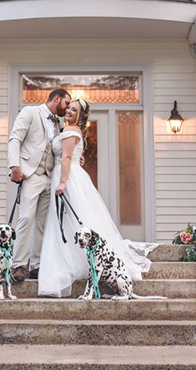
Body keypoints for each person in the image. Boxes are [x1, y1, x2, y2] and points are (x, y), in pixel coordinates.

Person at [37, 98, 152, 297]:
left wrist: (63, 182)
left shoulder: (70, 131)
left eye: (74, 110)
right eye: (69, 108)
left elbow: (65, 158)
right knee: (71, 220)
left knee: (69, 219)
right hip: (70, 174)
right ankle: (77, 260)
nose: (69, 111)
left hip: (68, 177)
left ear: (80, 116)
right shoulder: (71, 130)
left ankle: (75, 263)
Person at [7, 88, 71, 281]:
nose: (67, 108)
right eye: (66, 103)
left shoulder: (58, 124)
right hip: (30, 174)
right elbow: (15, 138)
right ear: (57, 98)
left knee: (42, 222)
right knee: (26, 217)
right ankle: (18, 265)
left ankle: (36, 265)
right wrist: (14, 166)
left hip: (49, 176)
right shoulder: (30, 112)